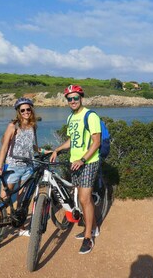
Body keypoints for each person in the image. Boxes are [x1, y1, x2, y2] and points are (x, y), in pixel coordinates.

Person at [50, 85, 101, 254]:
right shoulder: (71, 118)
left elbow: (96, 142)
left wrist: (83, 159)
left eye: (75, 98)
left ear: (81, 98)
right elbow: (72, 140)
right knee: (82, 198)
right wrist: (57, 149)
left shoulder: (90, 115)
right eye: (69, 99)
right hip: (75, 162)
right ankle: (93, 227)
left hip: (88, 162)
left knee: (85, 199)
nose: (72, 101)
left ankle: (88, 237)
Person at [0, 97, 45, 241]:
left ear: (32, 110)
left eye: (28, 109)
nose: (26, 112)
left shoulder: (33, 126)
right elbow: (4, 147)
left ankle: (21, 228)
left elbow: (32, 146)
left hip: (28, 168)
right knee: (3, 202)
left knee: (22, 201)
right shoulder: (13, 126)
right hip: (12, 168)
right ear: (19, 112)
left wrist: (45, 151)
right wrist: (0, 166)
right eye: (23, 110)